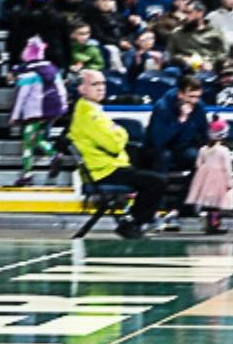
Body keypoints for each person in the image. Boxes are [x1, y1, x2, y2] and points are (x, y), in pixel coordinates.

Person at [67, 68, 165, 240]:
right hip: (103, 172)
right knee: (156, 182)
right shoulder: (89, 115)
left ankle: (132, 221)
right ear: (82, 89)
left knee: (152, 156)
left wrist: (117, 132)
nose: (101, 88)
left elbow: (115, 137)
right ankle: (134, 222)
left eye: (103, 83)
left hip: (109, 167)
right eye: (94, 84)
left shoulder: (92, 110)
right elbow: (114, 144)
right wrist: (120, 132)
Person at [8, 35, 65, 188]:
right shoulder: (52, 69)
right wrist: (63, 107)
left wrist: (14, 115)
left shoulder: (28, 73)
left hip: (33, 113)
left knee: (27, 143)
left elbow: (21, 96)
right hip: (50, 111)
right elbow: (61, 89)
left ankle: (28, 175)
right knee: (37, 139)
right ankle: (53, 155)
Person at [184, 116, 233, 234]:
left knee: (208, 202)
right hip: (219, 179)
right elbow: (227, 168)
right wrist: (229, 183)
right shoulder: (224, 151)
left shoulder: (203, 149)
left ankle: (209, 224)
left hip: (204, 178)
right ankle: (214, 225)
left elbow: (198, 164)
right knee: (216, 203)